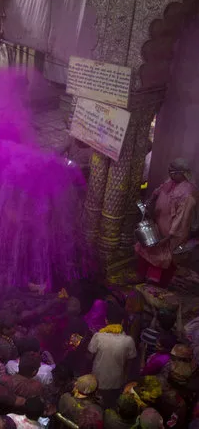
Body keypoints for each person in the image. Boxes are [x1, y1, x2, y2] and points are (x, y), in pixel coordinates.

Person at [136, 158, 198, 287]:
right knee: (148, 250)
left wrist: (170, 235)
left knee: (166, 258)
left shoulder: (187, 193)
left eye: (174, 173)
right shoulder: (171, 181)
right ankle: (143, 276)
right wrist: (150, 201)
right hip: (160, 223)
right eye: (169, 172)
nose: (170, 175)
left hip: (172, 230)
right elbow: (159, 190)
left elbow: (181, 218)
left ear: (183, 173)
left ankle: (160, 284)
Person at [88, 302, 137, 407]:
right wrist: (125, 379)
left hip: (97, 380)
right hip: (116, 382)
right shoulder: (128, 341)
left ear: (106, 320)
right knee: (111, 405)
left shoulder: (98, 336)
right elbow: (130, 363)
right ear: (123, 322)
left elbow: (89, 357)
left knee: (95, 405)